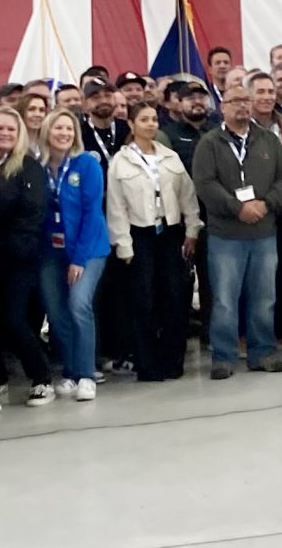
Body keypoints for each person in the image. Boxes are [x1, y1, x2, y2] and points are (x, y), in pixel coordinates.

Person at [191, 79, 282, 380]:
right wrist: (239, 208)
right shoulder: (209, 143)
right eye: (235, 100)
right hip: (226, 236)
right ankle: (223, 356)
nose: (243, 105)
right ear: (222, 107)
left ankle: (262, 352)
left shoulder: (268, 141)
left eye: (246, 100)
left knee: (264, 297)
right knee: (224, 299)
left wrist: (265, 204)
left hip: (263, 233)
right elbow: (205, 185)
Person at [105, 99, 198, 382]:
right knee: (143, 301)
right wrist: (123, 244)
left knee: (174, 297)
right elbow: (116, 206)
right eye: (143, 120)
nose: (150, 124)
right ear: (131, 125)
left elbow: (187, 196)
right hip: (139, 235)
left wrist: (192, 229)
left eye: (154, 120)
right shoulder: (120, 162)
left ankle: (173, 361)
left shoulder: (170, 157)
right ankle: (148, 363)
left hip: (169, 233)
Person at [0, 109, 55, 407]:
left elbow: (33, 212)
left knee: (14, 318)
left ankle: (42, 377)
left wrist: (11, 246)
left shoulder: (27, 166)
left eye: (11, 128)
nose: (4, 133)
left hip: (19, 257)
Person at [34, 110, 105, 401]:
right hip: (51, 250)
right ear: (47, 132)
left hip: (88, 249)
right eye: (58, 128)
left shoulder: (86, 164)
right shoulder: (37, 167)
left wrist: (79, 259)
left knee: (79, 305)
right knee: (57, 310)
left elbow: (92, 212)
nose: (64, 133)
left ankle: (87, 374)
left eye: (69, 128)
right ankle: (72, 371)